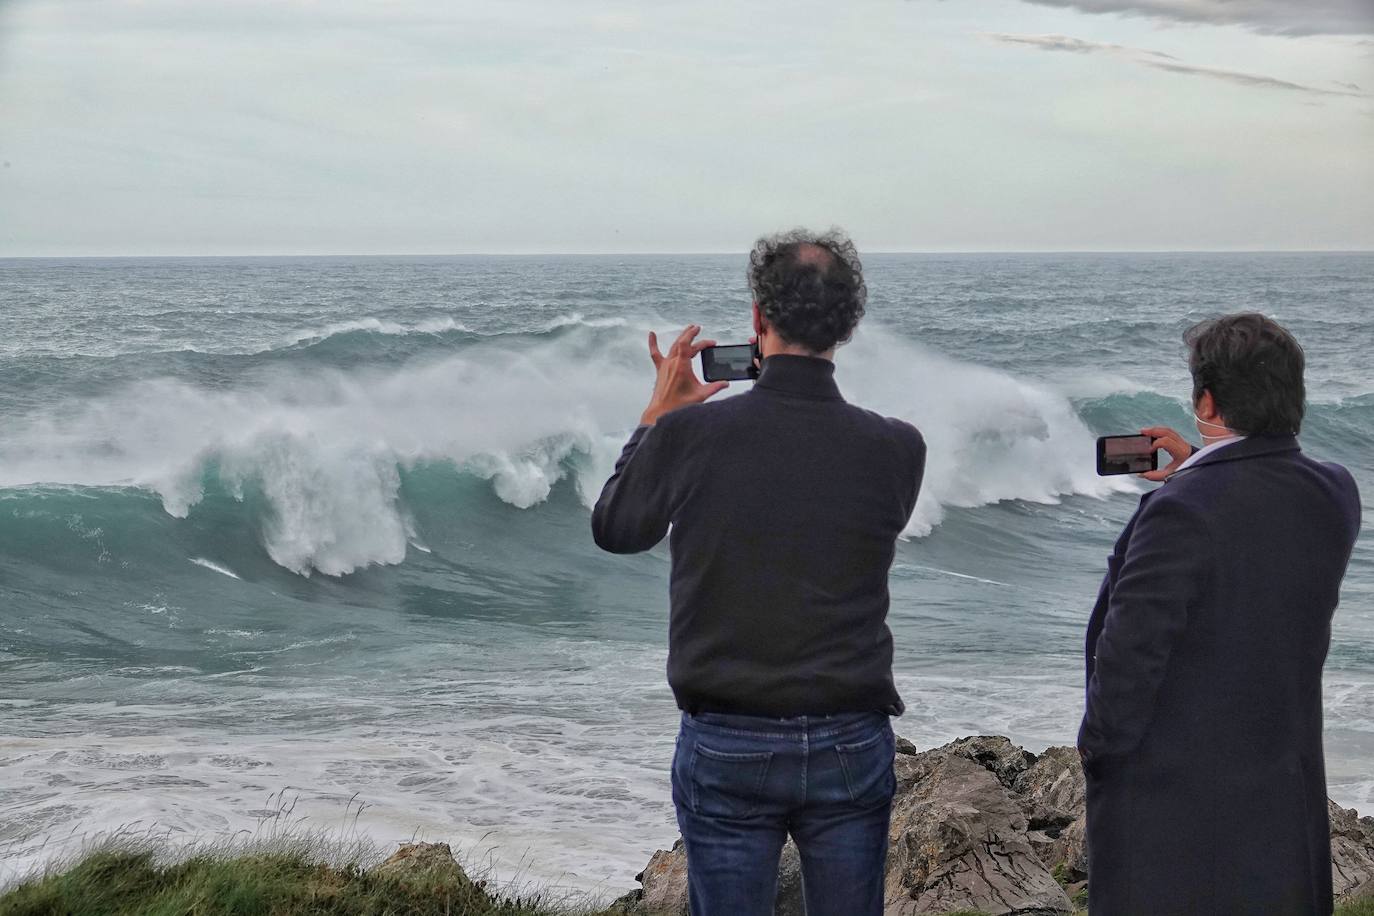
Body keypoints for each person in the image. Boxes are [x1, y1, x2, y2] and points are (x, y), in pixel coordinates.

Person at [591, 229, 925, 916]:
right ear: (849, 324)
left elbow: (618, 529)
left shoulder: (692, 436)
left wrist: (659, 415)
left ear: (756, 320)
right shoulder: (897, 448)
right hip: (848, 739)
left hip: (729, 738)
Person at [1078, 313, 1362, 915]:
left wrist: (1097, 756)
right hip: (1282, 791)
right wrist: (1197, 470)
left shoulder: (1179, 512)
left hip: (1179, 811)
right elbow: (1252, 524)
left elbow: (1128, 658)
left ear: (1206, 400)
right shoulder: (1334, 492)